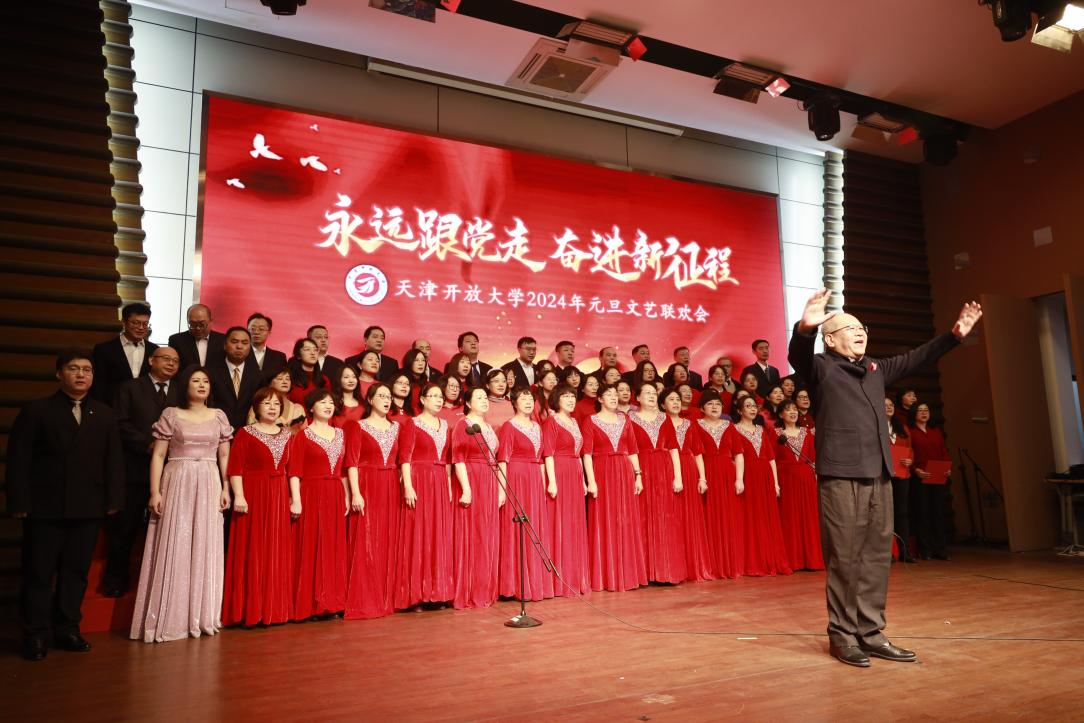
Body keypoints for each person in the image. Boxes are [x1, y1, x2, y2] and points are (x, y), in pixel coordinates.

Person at [788, 287, 981, 667]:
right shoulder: (821, 368)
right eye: (850, 328)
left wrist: (954, 336)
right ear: (831, 339)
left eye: (862, 327)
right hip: (841, 475)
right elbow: (798, 355)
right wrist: (805, 328)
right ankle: (843, 635)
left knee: (877, 556)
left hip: (879, 473)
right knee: (845, 557)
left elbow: (917, 357)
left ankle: (871, 632)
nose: (860, 332)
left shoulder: (876, 369)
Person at [9, 349, 124, 661]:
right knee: (39, 573)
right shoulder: (37, 410)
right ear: (59, 373)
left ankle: (68, 629)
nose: (81, 374)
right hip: (44, 507)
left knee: (76, 572)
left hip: (88, 507)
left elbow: (113, 460)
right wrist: (19, 501)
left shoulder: (104, 413)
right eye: (74, 368)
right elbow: (19, 460)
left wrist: (114, 500)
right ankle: (35, 634)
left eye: (87, 369)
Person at [130, 365, 232, 643]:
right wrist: (155, 492)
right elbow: (158, 455)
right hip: (178, 479)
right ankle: (170, 616)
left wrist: (226, 487)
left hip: (209, 480)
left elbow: (224, 456)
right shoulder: (171, 414)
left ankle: (201, 616)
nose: (201, 385)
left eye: (205, 381)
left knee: (205, 543)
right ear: (185, 385)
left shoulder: (219, 416)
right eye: (196, 380)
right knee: (175, 540)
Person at [103, 345, 181, 598]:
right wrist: (148, 444)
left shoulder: (181, 391)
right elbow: (119, 423)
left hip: (171, 470)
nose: (171, 364)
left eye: (176, 361)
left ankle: (159, 587)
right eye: (166, 358)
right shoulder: (129, 388)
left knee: (166, 531)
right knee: (125, 528)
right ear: (151, 360)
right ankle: (116, 581)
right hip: (135, 468)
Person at [222, 387, 292, 626]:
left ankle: (274, 609)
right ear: (256, 407)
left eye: (276, 404)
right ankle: (248, 610)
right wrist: (239, 496)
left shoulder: (287, 435)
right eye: (267, 403)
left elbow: (291, 469)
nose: (272, 408)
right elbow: (235, 468)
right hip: (253, 493)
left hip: (279, 494)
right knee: (253, 547)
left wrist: (292, 497)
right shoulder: (245, 433)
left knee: (275, 548)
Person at [344, 383, 410, 619]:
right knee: (367, 538)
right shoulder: (357, 426)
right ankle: (366, 598)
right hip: (367, 484)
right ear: (370, 400)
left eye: (388, 396)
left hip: (391, 485)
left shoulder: (397, 428)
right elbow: (351, 462)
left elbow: (403, 461)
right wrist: (355, 492)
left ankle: (387, 597)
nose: (386, 399)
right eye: (381, 396)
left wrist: (406, 486)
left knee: (390, 538)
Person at [288, 389, 348, 621]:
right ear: (311, 408)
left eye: (331, 402)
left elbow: (344, 470)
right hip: (311, 493)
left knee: (333, 547)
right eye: (323, 402)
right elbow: (294, 472)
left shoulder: (341, 434)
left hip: (335, 493)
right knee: (312, 546)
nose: (328, 405)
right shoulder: (303, 436)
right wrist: (296, 500)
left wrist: (347, 495)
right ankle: (311, 605)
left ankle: (333, 602)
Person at [394, 383, 454, 610]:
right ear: (422, 399)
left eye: (441, 397)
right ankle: (416, 594)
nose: (439, 400)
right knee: (419, 532)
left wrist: (448, 485)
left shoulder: (445, 424)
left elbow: (447, 459)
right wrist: (408, 486)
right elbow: (405, 457)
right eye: (434, 396)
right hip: (419, 479)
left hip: (439, 480)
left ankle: (437, 592)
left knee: (438, 533)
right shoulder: (413, 423)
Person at [582, 383, 645, 592]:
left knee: (625, 519)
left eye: (615, 394)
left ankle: (627, 574)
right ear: (599, 399)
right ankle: (606, 575)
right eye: (608, 394)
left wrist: (638, 475)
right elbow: (587, 454)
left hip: (624, 472)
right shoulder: (590, 421)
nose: (613, 397)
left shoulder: (625, 419)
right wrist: (591, 481)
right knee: (604, 519)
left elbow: (633, 449)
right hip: (602, 471)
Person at [496, 387, 553, 601]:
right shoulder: (509, 426)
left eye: (531, 398)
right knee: (518, 528)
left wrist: (543, 484)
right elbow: (503, 460)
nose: (528, 401)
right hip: (517, 478)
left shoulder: (537, 426)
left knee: (535, 526)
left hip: (534, 479)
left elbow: (541, 459)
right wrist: (502, 489)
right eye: (523, 398)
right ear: (514, 402)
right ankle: (516, 584)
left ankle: (535, 582)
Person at [450, 387, 503, 609]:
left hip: (489, 480)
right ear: (468, 403)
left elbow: (495, 459)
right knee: (473, 533)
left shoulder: (488, 427)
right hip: (472, 478)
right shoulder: (463, 425)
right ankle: (470, 589)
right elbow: (458, 459)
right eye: (478, 398)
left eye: (485, 397)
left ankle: (485, 588)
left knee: (487, 533)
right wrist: (466, 488)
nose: (484, 400)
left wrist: (500, 489)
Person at [628, 383, 685, 584]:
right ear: (638, 398)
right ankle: (646, 572)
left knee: (666, 517)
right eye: (647, 393)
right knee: (643, 517)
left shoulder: (664, 418)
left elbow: (673, 448)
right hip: (643, 468)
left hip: (664, 470)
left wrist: (678, 476)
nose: (652, 396)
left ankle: (666, 571)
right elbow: (629, 449)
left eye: (654, 393)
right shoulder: (629, 419)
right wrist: (636, 474)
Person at [732, 395, 791, 578]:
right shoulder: (734, 429)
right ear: (739, 410)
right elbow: (734, 456)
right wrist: (739, 478)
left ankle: (769, 558)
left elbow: (771, 458)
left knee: (767, 517)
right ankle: (753, 561)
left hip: (765, 476)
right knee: (751, 517)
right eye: (747, 406)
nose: (752, 409)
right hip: (748, 475)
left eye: (754, 406)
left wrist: (775, 483)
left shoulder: (762, 430)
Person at [541, 385, 590, 596]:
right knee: (560, 522)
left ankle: (575, 576)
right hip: (560, 471)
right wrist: (552, 481)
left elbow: (578, 453)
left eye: (572, 396)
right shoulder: (551, 422)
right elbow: (548, 454)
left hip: (574, 473)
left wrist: (584, 481)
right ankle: (559, 579)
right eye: (565, 396)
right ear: (556, 399)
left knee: (574, 523)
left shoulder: (575, 422)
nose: (570, 400)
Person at [662, 388, 713, 582]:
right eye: (671, 399)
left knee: (690, 515)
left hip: (689, 470)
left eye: (678, 399)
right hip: (667, 469)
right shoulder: (659, 422)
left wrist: (702, 478)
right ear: (662, 404)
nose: (676, 402)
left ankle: (693, 565)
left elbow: (698, 452)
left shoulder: (689, 424)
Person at [695, 389, 745, 579]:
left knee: (729, 518)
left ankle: (730, 563)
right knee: (709, 518)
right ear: (702, 408)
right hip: (707, 473)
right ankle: (712, 564)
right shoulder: (696, 425)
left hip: (727, 474)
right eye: (710, 404)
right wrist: (701, 477)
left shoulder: (729, 426)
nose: (714, 407)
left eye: (717, 404)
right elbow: (696, 454)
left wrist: (739, 478)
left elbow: (738, 454)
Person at [775, 400, 824, 572]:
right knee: (790, 518)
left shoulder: (807, 433)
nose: (793, 412)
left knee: (809, 518)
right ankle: (793, 561)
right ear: (781, 414)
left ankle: (812, 560)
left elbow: (813, 459)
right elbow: (773, 459)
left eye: (795, 409)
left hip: (806, 479)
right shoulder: (775, 433)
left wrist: (816, 479)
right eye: (788, 410)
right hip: (786, 479)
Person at [909, 402, 952, 561]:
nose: (924, 413)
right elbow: (908, 454)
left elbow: (943, 451)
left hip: (938, 475)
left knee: (938, 513)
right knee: (923, 514)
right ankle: (925, 549)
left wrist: (948, 467)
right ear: (914, 414)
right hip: (921, 476)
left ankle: (940, 549)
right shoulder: (910, 432)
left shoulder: (936, 431)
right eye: (920, 410)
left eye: (926, 410)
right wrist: (915, 470)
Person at [91, 301, 157, 404]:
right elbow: (98, 385)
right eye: (135, 323)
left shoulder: (154, 350)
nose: (141, 328)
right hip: (113, 406)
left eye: (145, 324)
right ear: (123, 322)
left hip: (145, 407)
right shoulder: (104, 350)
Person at [208, 326, 262, 431]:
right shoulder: (210, 372)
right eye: (234, 342)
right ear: (225, 345)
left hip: (247, 431)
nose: (239, 346)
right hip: (217, 430)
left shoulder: (258, 375)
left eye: (245, 343)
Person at [884, 397, 916, 563]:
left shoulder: (902, 428)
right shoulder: (877, 427)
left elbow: (910, 449)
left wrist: (910, 460)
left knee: (902, 513)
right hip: (885, 476)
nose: (889, 407)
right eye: (885, 405)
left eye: (891, 405)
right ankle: (888, 552)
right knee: (885, 514)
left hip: (902, 474)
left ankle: (905, 551)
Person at [168, 303, 226, 369]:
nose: (197, 328)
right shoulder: (176, 340)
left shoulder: (223, 340)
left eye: (202, 324)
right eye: (192, 324)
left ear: (211, 321)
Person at [251, 367, 306, 432]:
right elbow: (251, 432)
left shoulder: (298, 409)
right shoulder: (259, 406)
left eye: (288, 379)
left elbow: (305, 435)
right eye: (280, 378)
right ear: (269, 382)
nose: (285, 382)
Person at [286, 337, 328, 406]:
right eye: (307, 349)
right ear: (298, 355)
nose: (313, 353)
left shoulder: (324, 379)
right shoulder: (290, 378)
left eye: (315, 350)